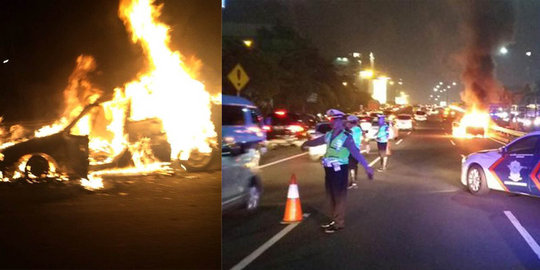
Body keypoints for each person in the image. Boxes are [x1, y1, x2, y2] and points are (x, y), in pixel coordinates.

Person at [301, 109, 374, 233]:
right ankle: (334, 220)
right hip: (329, 169)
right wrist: (306, 143)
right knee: (331, 196)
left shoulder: (346, 137)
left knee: (339, 196)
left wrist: (367, 167)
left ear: (341, 121)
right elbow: (317, 141)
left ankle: (339, 223)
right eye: (330, 119)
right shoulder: (329, 134)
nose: (331, 122)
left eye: (334, 119)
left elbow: (356, 153)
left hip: (339, 170)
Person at [345, 115, 362, 189]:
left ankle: (353, 182)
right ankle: (353, 181)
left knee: (351, 166)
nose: (347, 123)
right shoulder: (357, 129)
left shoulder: (354, 130)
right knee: (353, 166)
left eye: (348, 122)